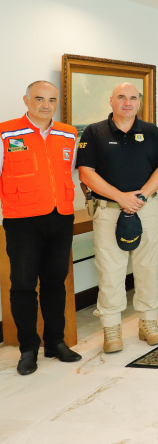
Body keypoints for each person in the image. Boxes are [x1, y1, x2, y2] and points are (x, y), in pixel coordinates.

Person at [76, 83, 158, 353]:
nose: (127, 102)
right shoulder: (94, 132)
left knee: (148, 267)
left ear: (138, 103)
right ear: (111, 101)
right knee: (110, 270)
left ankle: (148, 323)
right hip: (108, 210)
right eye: (121, 97)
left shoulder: (151, 131)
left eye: (132, 98)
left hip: (146, 208)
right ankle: (111, 328)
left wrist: (139, 197)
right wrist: (121, 197)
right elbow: (85, 172)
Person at [1, 81, 82, 375]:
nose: (46, 105)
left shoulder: (68, 134)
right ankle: (28, 348)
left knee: (55, 282)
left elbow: (70, 172)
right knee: (23, 284)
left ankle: (55, 342)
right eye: (39, 99)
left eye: (51, 100)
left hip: (60, 218)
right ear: (26, 100)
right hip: (22, 220)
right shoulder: (6, 132)